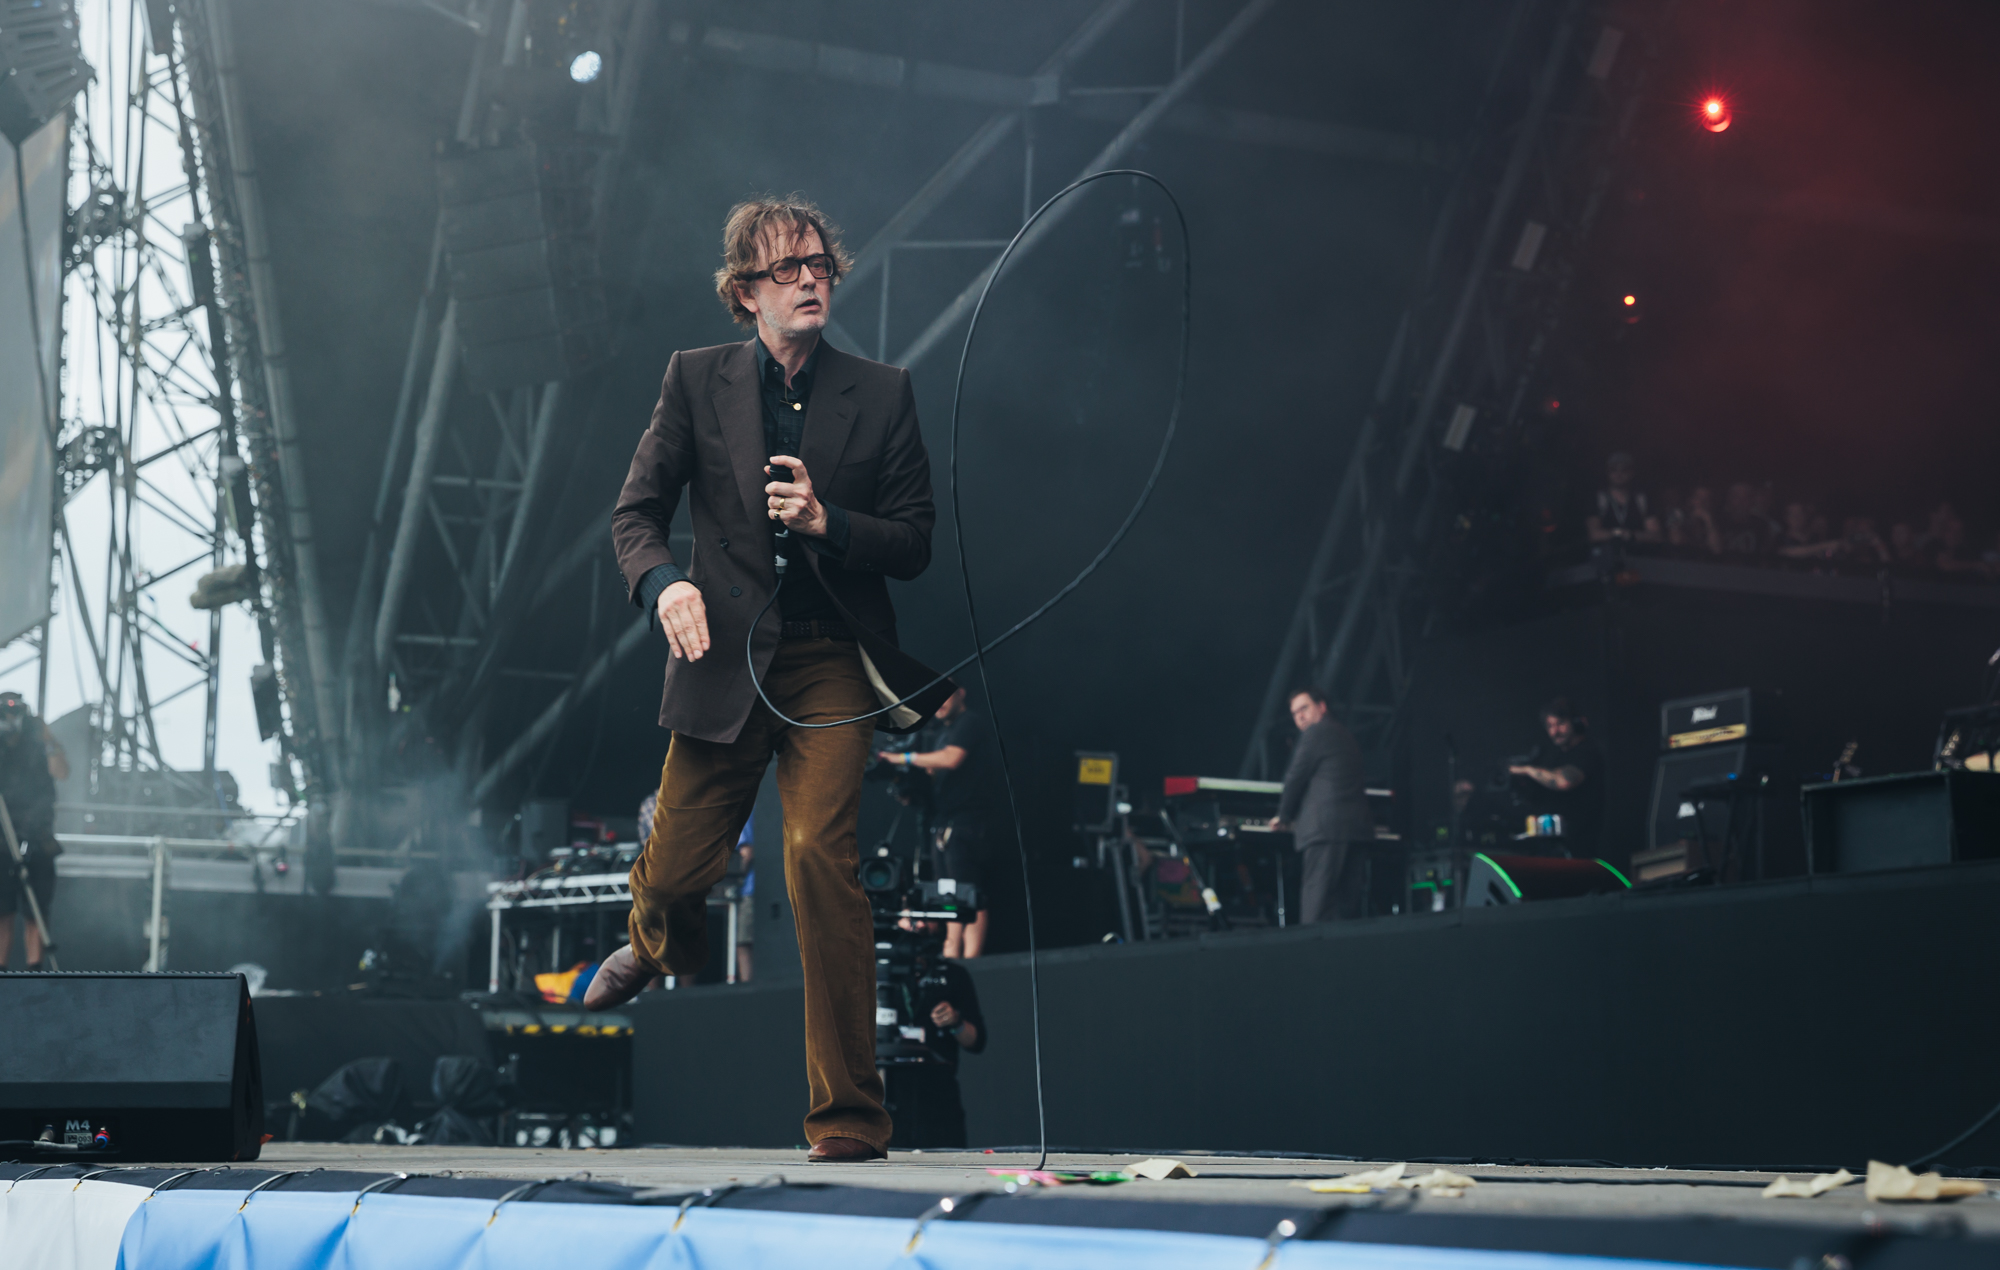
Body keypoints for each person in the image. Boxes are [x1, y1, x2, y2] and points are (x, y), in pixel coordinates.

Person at [595, 196, 954, 1164]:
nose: (810, 279)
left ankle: (847, 1115)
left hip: (829, 657)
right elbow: (633, 515)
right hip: (720, 657)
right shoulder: (693, 378)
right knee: (675, 870)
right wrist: (664, 584)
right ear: (744, 291)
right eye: (788, 267)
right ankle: (650, 934)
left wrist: (827, 521)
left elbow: (914, 540)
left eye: (820, 265)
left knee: (813, 854)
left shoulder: (882, 391)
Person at [876, 688, 996, 958]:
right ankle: (952, 951)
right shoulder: (938, 732)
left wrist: (904, 758)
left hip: (967, 821)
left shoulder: (970, 723)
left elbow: (951, 759)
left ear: (961, 694)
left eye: (944, 695)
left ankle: (972, 960)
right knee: (948, 892)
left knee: (969, 892)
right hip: (942, 821)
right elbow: (932, 774)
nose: (938, 704)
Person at [883, 920, 987, 1149]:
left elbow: (977, 1041)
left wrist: (956, 1021)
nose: (918, 926)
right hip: (890, 1092)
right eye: (911, 919)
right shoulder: (882, 973)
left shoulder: (954, 975)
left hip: (938, 1095)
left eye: (925, 919)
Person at [1269, 687, 1372, 923]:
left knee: (1316, 910)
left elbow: (1295, 777)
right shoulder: (1346, 735)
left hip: (1325, 831)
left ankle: (1312, 959)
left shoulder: (1316, 733)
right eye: (1295, 714)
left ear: (1322, 706)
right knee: (1347, 913)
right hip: (1356, 830)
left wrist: (1283, 816)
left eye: (1304, 708)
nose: (1300, 717)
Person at [0, 692, 61, 970]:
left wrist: (47, 738)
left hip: (36, 835)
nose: (10, 720)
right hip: (3, 837)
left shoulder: (37, 743)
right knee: (3, 910)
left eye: (15, 713)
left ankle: (34, 971)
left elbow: (61, 771)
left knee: (35, 910)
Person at [1506, 696, 1605, 858]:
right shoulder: (1552, 758)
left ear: (1576, 723)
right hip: (1550, 850)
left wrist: (1527, 770)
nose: (1554, 731)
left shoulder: (1587, 752)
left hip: (1580, 849)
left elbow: (1563, 781)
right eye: (1550, 726)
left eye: (1560, 724)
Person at [1586, 453, 1661, 547]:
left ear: (1632, 473)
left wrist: (1630, 535)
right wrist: (1619, 533)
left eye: (1624, 470)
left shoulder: (1641, 500)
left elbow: (1655, 535)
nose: (1619, 474)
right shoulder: (1599, 499)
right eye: (1613, 469)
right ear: (1607, 472)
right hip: (1607, 557)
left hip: (1638, 558)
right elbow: (1594, 535)